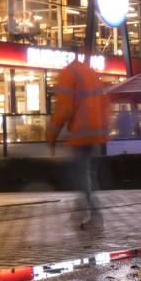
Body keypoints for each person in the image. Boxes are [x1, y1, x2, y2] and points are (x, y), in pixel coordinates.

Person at [47, 56, 109, 229]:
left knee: (80, 176)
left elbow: (63, 109)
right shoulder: (91, 74)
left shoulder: (69, 73)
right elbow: (104, 104)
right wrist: (104, 132)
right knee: (88, 176)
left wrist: (51, 135)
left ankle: (92, 215)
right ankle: (82, 210)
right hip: (96, 135)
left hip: (81, 134)